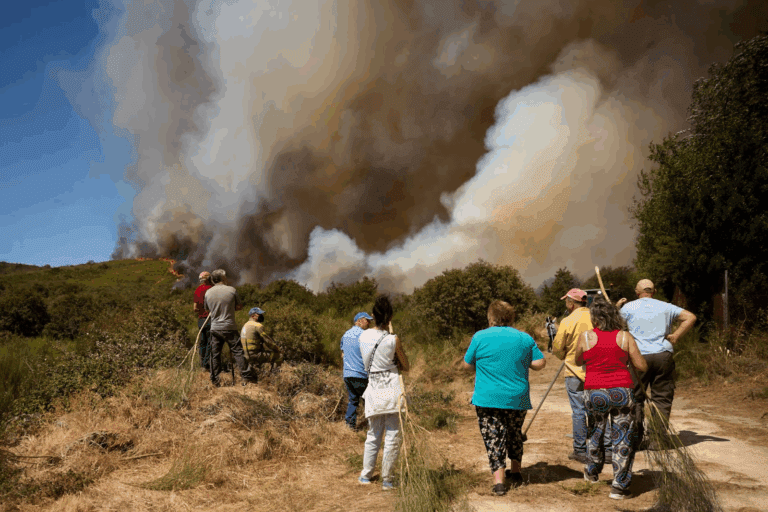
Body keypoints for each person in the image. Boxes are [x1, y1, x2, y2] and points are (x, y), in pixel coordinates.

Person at [462, 300, 546, 496]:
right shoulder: (524, 338)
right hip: (517, 398)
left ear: (491, 317)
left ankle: (499, 482)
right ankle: (516, 471)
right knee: (514, 433)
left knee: (493, 436)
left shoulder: (480, 337)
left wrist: (482, 366)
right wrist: (525, 363)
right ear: (511, 317)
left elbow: (467, 365)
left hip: (487, 398)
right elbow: (540, 363)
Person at [575, 297, 648, 500]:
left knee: (595, 431)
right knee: (623, 437)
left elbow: (578, 360)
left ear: (594, 319)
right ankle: (619, 486)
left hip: (595, 392)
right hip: (621, 392)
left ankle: (592, 472)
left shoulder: (586, 337)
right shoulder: (625, 337)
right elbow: (642, 366)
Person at [616, 279, 697, 446]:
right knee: (662, 398)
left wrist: (617, 308)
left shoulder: (628, 307)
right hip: (663, 356)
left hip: (639, 356)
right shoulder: (666, 306)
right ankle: (657, 440)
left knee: (635, 397)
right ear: (654, 292)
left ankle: (636, 439)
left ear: (637, 292)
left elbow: (615, 326)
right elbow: (690, 317)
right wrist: (676, 335)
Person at [552, 288, 609, 464]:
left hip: (573, 371)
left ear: (571, 303)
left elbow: (557, 349)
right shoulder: (596, 317)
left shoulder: (567, 321)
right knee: (599, 409)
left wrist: (564, 355)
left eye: (566, 301)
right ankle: (605, 449)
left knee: (578, 411)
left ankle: (580, 450)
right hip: (596, 370)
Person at [358, 296, 409, 490]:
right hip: (392, 390)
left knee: (373, 434)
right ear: (390, 317)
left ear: (373, 315)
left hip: (373, 389)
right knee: (393, 435)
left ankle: (366, 475)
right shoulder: (393, 339)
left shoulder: (363, 336)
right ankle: (387, 479)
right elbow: (406, 366)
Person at [204, 269, 258, 386]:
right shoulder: (232, 290)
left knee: (215, 354)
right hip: (229, 327)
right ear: (223, 278)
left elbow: (207, 310)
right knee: (238, 352)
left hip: (215, 328)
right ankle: (246, 377)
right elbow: (239, 306)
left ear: (213, 280)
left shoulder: (208, 293)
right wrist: (228, 308)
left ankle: (215, 380)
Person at [340, 311, 373, 430]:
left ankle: (350, 426)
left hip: (347, 374)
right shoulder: (364, 335)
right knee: (368, 399)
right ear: (359, 321)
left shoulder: (345, 335)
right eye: (367, 321)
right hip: (360, 374)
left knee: (353, 400)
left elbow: (343, 354)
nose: (369, 323)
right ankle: (373, 426)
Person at [193, 271, 214, 371]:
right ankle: (206, 365)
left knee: (202, 342)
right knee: (210, 342)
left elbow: (195, 308)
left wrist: (201, 311)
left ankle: (202, 364)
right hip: (211, 320)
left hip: (201, 320)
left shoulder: (198, 289)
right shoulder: (213, 289)